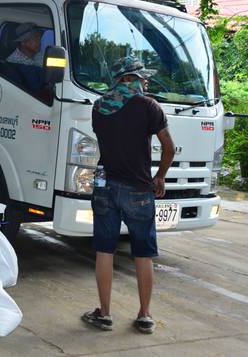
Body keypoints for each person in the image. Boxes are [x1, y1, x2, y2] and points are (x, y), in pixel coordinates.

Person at [82, 57, 174, 335]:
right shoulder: (149, 106)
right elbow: (169, 148)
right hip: (138, 188)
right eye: (141, 77)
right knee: (143, 254)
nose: (145, 82)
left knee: (104, 250)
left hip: (105, 184)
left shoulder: (99, 106)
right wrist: (160, 177)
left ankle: (104, 314)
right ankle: (144, 315)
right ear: (127, 78)